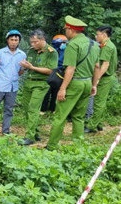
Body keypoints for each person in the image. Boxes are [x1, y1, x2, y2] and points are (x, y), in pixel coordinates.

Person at [46, 16, 100, 150]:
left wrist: (63, 88)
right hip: (87, 82)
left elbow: (70, 68)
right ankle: (78, 145)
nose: (65, 32)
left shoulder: (73, 44)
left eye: (66, 29)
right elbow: (97, 67)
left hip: (74, 83)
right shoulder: (94, 44)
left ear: (71, 30)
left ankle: (52, 146)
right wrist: (94, 85)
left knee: (60, 116)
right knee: (79, 116)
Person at [19, 29, 59, 145]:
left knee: (33, 108)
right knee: (26, 107)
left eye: (35, 42)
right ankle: (35, 132)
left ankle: (29, 136)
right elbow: (29, 65)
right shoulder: (31, 51)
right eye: (31, 42)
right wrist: (25, 66)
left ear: (42, 40)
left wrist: (32, 68)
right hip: (28, 82)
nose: (32, 44)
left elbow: (51, 70)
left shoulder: (52, 52)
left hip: (41, 84)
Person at [0, 30, 26, 134]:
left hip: (13, 87)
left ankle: (6, 131)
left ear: (19, 41)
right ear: (7, 40)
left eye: (16, 40)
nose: (13, 42)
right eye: (11, 39)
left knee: (9, 110)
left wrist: (15, 75)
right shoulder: (0, 53)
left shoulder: (22, 54)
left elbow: (22, 70)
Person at [85, 25, 118, 133]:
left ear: (104, 35)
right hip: (105, 77)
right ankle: (98, 123)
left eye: (98, 34)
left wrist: (97, 77)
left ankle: (92, 126)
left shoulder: (107, 46)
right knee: (100, 102)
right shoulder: (106, 45)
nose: (96, 36)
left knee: (99, 102)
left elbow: (105, 64)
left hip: (105, 77)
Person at [41, 34, 67, 113]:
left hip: (59, 72)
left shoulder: (65, 50)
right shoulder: (52, 50)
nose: (65, 44)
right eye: (64, 42)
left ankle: (53, 108)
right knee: (48, 90)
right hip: (53, 71)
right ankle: (44, 109)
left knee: (56, 90)